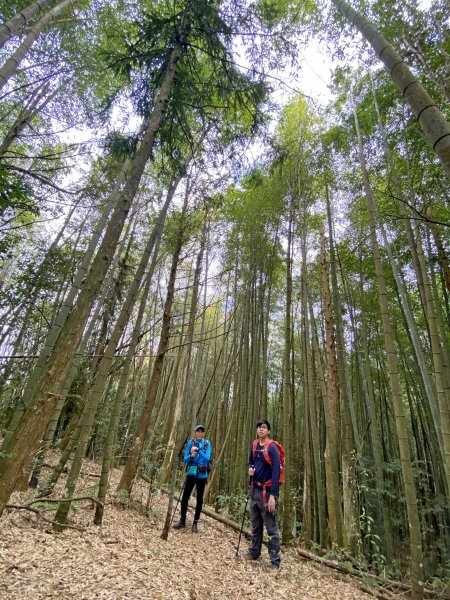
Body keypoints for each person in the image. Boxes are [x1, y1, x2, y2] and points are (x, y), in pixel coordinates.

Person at [245, 419, 281, 571]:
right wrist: (250, 470)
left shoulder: (272, 447)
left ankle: (275, 561)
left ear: (269, 431)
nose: (261, 429)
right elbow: (250, 462)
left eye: (264, 427)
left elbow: (276, 472)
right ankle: (254, 552)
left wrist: (273, 495)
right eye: (259, 427)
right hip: (255, 490)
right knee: (256, 524)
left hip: (267, 493)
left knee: (271, 527)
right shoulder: (254, 445)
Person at [173, 424, 211, 533]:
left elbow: (208, 458)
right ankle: (182, 520)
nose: (199, 433)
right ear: (195, 433)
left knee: (199, 499)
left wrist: (198, 450)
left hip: (202, 476)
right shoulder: (190, 443)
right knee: (185, 497)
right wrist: (191, 455)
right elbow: (185, 459)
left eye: (201, 431)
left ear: (203, 433)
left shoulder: (207, 444)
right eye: (197, 431)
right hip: (191, 473)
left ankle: (195, 522)